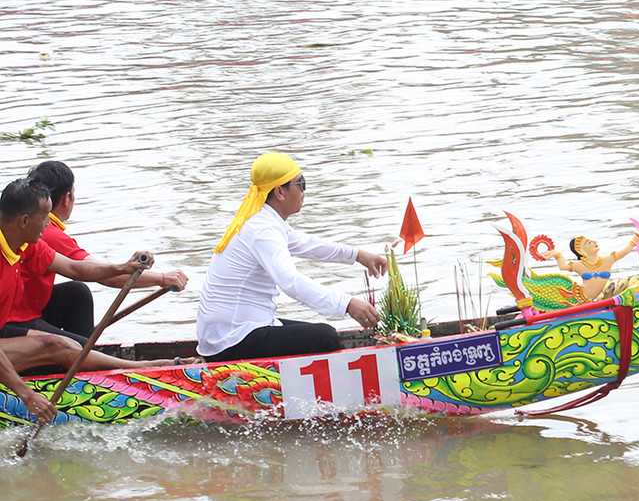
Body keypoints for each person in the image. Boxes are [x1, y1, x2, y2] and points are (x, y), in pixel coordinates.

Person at [196, 153, 386, 362]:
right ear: (279, 192)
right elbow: (290, 281)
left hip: (235, 330)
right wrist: (347, 304)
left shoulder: (264, 221)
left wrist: (358, 255)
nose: (304, 191)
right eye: (301, 183)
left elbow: (307, 244)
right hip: (231, 339)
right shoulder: (263, 229)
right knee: (325, 337)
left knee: (318, 333)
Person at [11, 161, 188, 344]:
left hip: (29, 310)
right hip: (16, 321)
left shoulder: (32, 232)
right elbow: (108, 277)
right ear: (67, 198)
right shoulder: (48, 235)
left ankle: (82, 353)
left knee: (77, 293)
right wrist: (163, 279)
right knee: (77, 343)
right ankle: (83, 357)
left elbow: (82, 270)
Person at [0, 178, 152, 376]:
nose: (48, 224)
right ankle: (140, 368)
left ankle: (77, 368)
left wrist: (123, 267)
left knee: (77, 296)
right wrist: (25, 394)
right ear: (25, 221)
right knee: (63, 346)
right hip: (9, 328)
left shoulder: (25, 243)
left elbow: (74, 268)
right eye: (45, 217)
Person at [547, 233, 639, 302]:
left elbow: (624, 251)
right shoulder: (580, 265)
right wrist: (557, 254)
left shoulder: (607, 260)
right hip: (581, 298)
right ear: (581, 251)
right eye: (589, 243)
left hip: (593, 299)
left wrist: (635, 239)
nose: (595, 242)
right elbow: (563, 266)